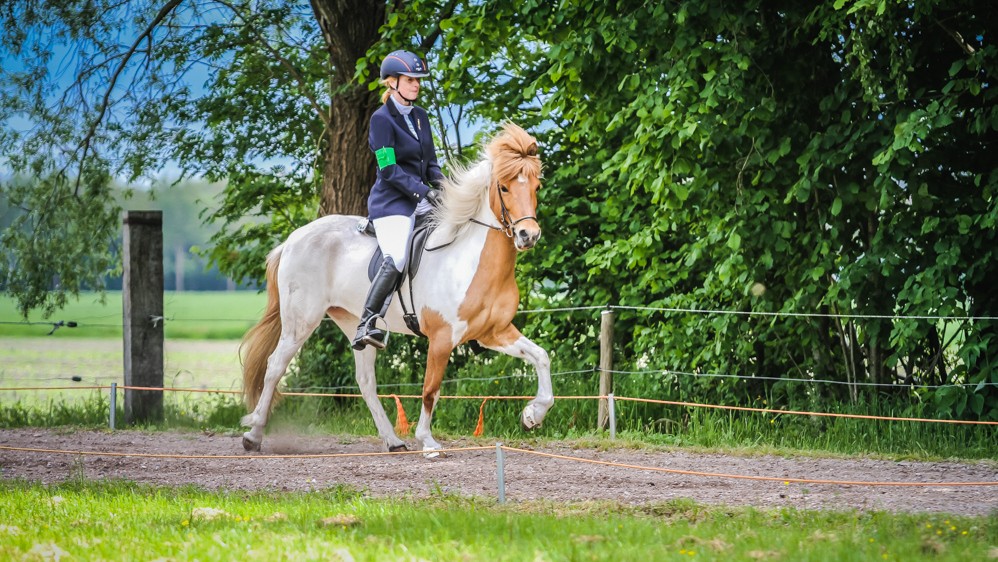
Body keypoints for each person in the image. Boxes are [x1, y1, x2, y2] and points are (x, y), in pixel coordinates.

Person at [353, 49, 445, 351]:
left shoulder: (420, 117)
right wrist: (423, 191)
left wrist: (445, 188)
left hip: (422, 200)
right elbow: (389, 169)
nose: (417, 85)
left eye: (418, 80)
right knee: (398, 257)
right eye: (410, 79)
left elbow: (430, 164)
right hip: (392, 205)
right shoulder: (381, 120)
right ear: (391, 83)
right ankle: (368, 321)